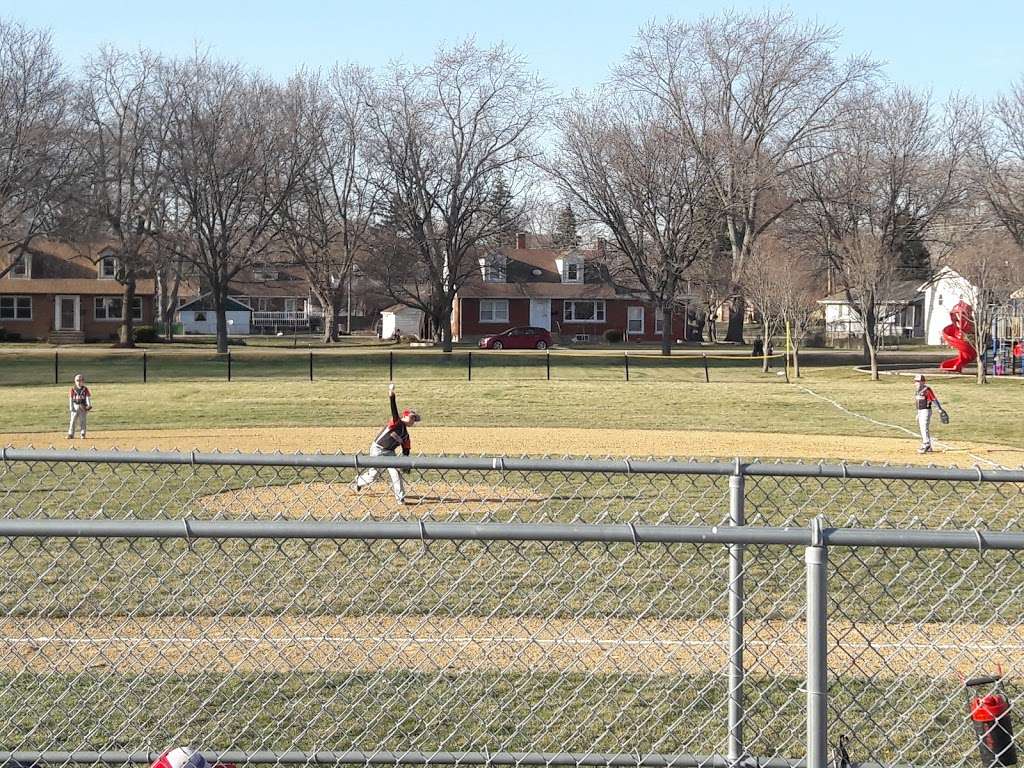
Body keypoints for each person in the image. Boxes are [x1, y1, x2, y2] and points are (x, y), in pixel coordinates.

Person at [352, 382, 421, 503]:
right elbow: (394, 409)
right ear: (404, 417)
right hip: (377, 449)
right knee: (373, 475)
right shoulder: (396, 422)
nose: (413, 421)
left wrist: (406, 464)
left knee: (395, 473)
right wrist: (392, 396)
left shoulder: (406, 436)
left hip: (389, 453)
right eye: (412, 417)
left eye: (414, 419)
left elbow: (406, 451)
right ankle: (358, 481)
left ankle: (400, 498)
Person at [914, 374, 947, 454]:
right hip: (921, 411)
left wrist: (939, 409)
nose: (916, 383)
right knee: (923, 428)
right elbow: (918, 403)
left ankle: (926, 444)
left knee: (924, 427)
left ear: (923, 382)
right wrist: (918, 413)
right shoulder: (917, 391)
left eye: (918, 381)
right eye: (916, 381)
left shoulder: (927, 390)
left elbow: (934, 400)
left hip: (926, 411)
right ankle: (928, 446)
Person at [67, 373, 92, 439]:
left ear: (83, 381)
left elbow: (87, 397)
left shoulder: (85, 389)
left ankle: (82, 433)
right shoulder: (73, 389)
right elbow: (71, 398)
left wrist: (89, 404)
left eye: (80, 380)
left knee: (82, 421)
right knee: (72, 421)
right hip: (75, 406)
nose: (79, 382)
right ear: (75, 381)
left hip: (83, 407)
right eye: (77, 380)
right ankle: (71, 434)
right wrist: (71, 406)